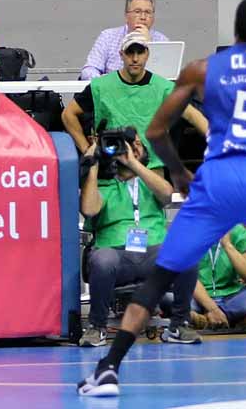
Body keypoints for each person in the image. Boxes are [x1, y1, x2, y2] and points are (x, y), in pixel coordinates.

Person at [75, 0, 246, 397]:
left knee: (161, 273)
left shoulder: (203, 69)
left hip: (216, 183)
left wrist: (179, 171)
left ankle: (109, 367)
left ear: (235, 31)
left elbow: (159, 130)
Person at [77, 130, 199, 348]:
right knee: (103, 259)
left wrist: (132, 163)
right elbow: (88, 208)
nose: (132, 148)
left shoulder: (149, 181)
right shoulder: (104, 184)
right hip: (116, 254)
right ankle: (97, 327)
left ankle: (179, 325)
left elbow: (167, 193)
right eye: (127, 145)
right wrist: (93, 164)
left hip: (154, 254)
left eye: (137, 145)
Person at [63, 28, 208, 160]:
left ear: (147, 54)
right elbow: (68, 114)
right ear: (121, 55)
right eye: (130, 52)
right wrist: (87, 150)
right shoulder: (100, 86)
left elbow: (193, 115)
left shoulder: (164, 87)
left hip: (152, 169)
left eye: (140, 52)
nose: (135, 58)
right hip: (112, 169)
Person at [80, 0, 170, 81]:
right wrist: (105, 84)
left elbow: (164, 78)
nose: (143, 17)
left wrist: (150, 46)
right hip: (112, 91)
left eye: (148, 12)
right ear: (126, 16)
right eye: (137, 12)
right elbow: (89, 70)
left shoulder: (162, 40)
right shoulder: (108, 36)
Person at [189, 225, 246, 330]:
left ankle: (208, 320)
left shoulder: (239, 232)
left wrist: (228, 245)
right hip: (198, 298)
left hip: (233, 297)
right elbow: (189, 279)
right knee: (168, 296)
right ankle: (235, 320)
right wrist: (213, 308)